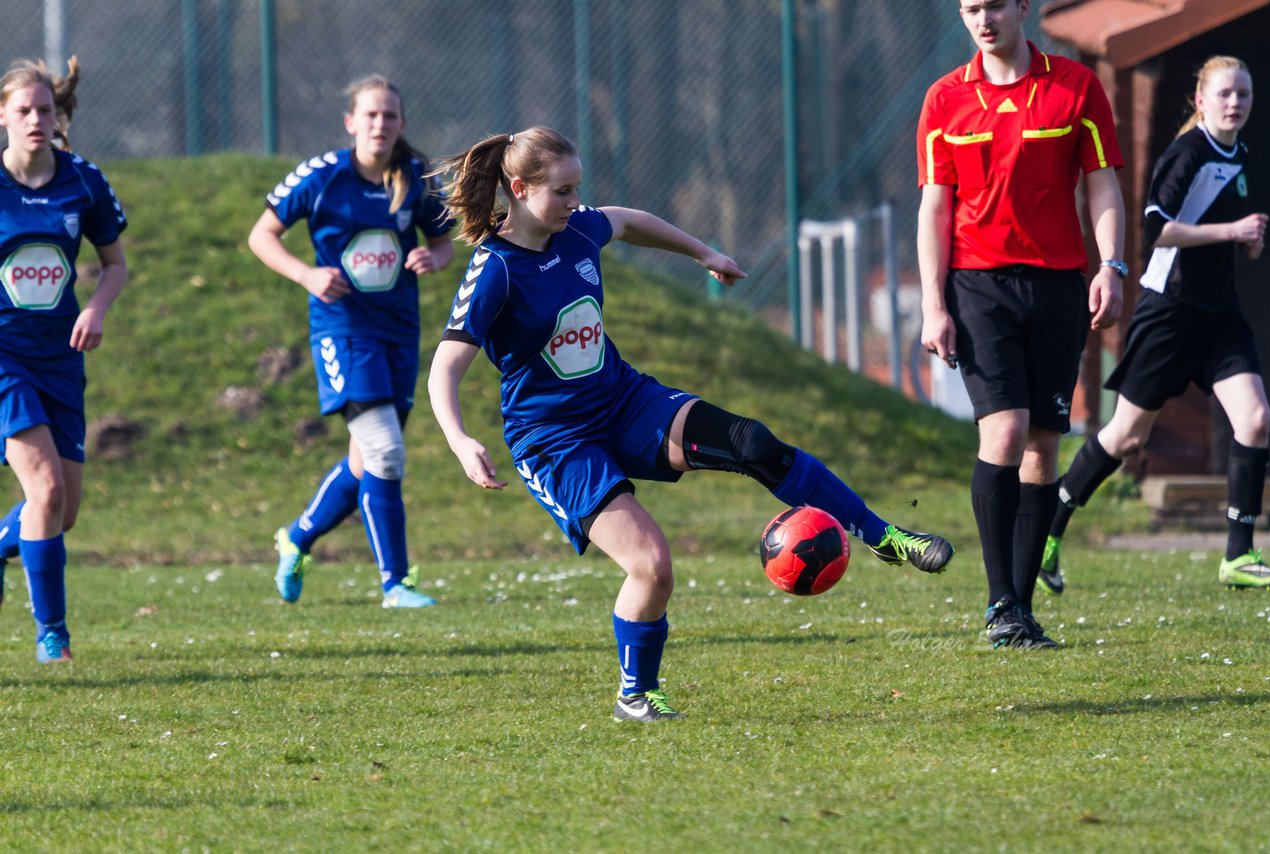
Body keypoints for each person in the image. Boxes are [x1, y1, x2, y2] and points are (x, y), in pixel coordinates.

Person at [428, 127, 954, 721]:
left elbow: (626, 220)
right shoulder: (494, 269)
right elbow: (443, 370)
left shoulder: (574, 228)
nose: (576, 203)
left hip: (623, 400)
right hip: (554, 442)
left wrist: (703, 252)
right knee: (652, 565)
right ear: (519, 190)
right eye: (563, 191)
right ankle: (636, 693)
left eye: (578, 189)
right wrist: (460, 439)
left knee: (751, 443)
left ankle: (883, 535)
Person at [916, 0, 1126, 648]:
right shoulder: (945, 99)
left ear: (1023, 9)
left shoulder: (1075, 88)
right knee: (1003, 432)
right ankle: (999, 600)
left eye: (995, 5)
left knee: (1041, 444)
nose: (984, 19)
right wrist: (933, 302)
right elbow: (935, 207)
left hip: (1060, 285)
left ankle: (1022, 611)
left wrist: (1110, 266)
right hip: (978, 284)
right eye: (971, 8)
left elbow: (1102, 185)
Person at [1041, 56, 1270, 590]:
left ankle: (1238, 557)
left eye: (1244, 93)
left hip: (1220, 317)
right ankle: (1048, 530)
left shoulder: (1241, 155)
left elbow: (1232, 232)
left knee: (1256, 419)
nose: (1235, 102)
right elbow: (1157, 230)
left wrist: (1249, 241)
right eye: (1224, 94)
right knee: (1125, 437)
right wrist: (1231, 231)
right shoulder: (1187, 153)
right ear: (1200, 100)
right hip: (1168, 311)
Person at [248, 75, 454, 608]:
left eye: (389, 116)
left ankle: (296, 537)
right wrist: (307, 275)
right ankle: (396, 584)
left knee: (368, 462)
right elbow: (261, 235)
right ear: (351, 122)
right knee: (386, 451)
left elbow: (444, 243)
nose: (380, 124)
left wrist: (435, 258)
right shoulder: (322, 177)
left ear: (401, 124)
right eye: (370, 115)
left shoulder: (413, 177)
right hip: (343, 331)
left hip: (399, 334)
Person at [0, 57, 129, 662]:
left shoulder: (83, 180)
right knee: (45, 490)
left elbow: (115, 264)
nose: (35, 119)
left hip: (61, 358)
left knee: (60, 512)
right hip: (4, 360)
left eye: (44, 109)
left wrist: (97, 308)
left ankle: (5, 543)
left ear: (59, 116)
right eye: (22, 110)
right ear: (3, 116)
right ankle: (53, 635)